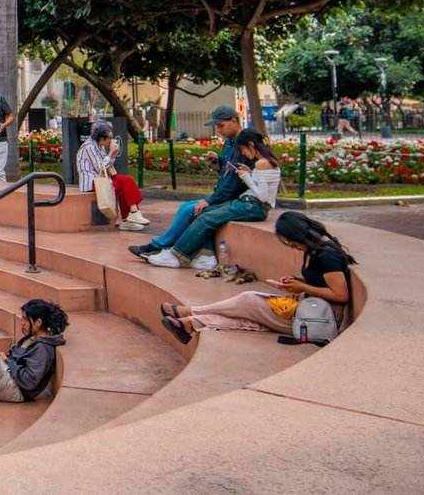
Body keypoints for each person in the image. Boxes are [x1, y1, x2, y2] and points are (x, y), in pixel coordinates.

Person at [161, 212, 355, 344]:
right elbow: (320, 282)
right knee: (252, 321)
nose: (291, 246)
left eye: (291, 241)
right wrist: (298, 282)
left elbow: (340, 295)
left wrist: (303, 288)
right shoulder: (313, 249)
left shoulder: (326, 255)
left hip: (320, 318)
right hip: (310, 310)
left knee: (249, 300)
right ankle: (190, 324)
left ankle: (191, 311)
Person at [147, 129, 281, 269]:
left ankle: (176, 255)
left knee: (207, 218)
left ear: (251, 145)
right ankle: (207, 256)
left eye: (243, 149)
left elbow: (263, 196)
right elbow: (263, 186)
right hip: (251, 204)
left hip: (253, 206)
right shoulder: (266, 161)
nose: (243, 153)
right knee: (205, 212)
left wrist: (245, 176)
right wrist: (250, 172)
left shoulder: (262, 163)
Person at [128, 105, 245, 261]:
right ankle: (162, 245)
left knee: (191, 210)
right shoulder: (229, 142)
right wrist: (218, 163)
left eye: (221, 125)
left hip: (232, 199)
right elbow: (228, 171)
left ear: (234, 121)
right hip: (223, 195)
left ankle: (160, 246)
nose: (218, 130)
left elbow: (234, 181)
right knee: (185, 207)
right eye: (217, 126)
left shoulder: (242, 145)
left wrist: (210, 200)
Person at [77, 121, 147, 231]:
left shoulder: (99, 146)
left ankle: (133, 214)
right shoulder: (89, 147)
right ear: (101, 138)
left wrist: (112, 155)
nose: (111, 140)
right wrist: (110, 154)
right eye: (109, 137)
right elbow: (100, 168)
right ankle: (129, 217)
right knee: (122, 187)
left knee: (128, 180)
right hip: (93, 182)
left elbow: (107, 165)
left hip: (102, 178)